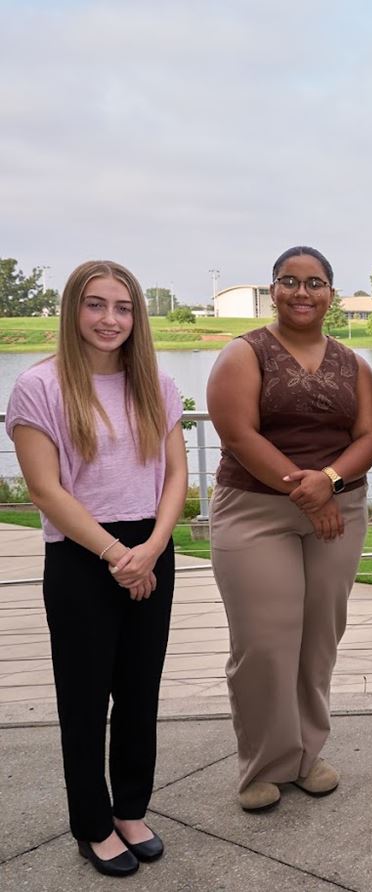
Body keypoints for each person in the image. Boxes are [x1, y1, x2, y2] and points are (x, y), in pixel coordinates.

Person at [7, 261, 186, 877]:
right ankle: (92, 823)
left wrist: (154, 547)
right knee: (84, 700)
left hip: (151, 549)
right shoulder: (40, 387)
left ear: (137, 316)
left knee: (140, 694)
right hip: (83, 557)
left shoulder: (157, 385)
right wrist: (116, 555)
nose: (111, 319)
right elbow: (44, 491)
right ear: (73, 311)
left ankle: (131, 809)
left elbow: (176, 474)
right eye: (96, 305)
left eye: (124, 307)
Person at [208, 246, 372, 812]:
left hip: (337, 512)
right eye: (289, 281)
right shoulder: (244, 354)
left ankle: (307, 755)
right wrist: (305, 492)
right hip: (256, 510)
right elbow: (238, 434)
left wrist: (328, 481)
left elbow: (370, 437)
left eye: (314, 283)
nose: (301, 293)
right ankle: (263, 764)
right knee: (264, 643)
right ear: (273, 289)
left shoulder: (354, 363)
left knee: (317, 641)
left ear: (331, 293)